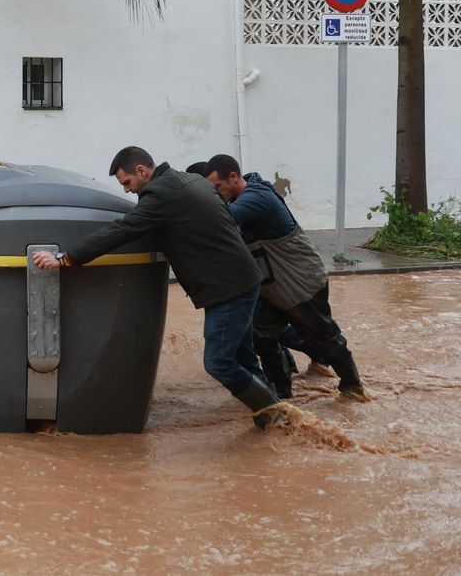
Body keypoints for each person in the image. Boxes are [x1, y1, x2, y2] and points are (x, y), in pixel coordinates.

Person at [31, 146, 287, 430]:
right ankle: (278, 418)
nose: (127, 191)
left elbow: (122, 230)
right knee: (243, 358)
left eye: (127, 182)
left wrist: (65, 258)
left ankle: (277, 416)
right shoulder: (189, 181)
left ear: (142, 171)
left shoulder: (161, 195)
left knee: (219, 363)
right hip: (241, 279)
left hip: (228, 289)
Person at [201, 153, 368, 401]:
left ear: (234, 178)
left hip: (301, 283)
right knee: (263, 338)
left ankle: (353, 386)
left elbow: (223, 220)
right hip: (272, 287)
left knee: (324, 337)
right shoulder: (240, 198)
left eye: (217, 187)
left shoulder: (257, 197)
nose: (217, 192)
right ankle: (282, 396)